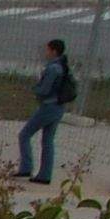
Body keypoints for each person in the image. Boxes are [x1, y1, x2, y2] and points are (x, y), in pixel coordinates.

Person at [18, 39, 77, 184]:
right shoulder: (63, 66)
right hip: (59, 106)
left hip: (49, 105)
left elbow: (45, 89)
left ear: (53, 51)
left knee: (24, 135)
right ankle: (45, 174)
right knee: (48, 140)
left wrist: (35, 90)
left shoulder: (52, 68)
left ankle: (26, 167)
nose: (46, 52)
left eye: (48, 50)